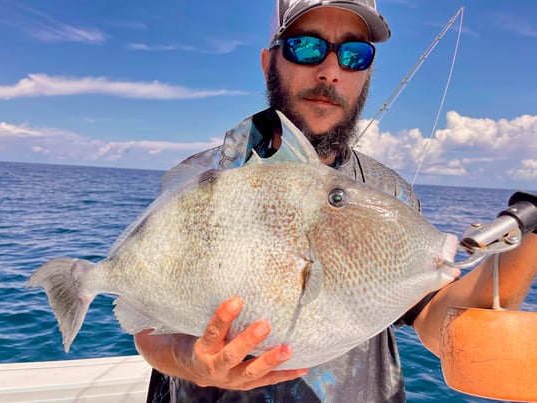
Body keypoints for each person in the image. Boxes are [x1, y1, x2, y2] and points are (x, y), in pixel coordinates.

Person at [135, 1, 537, 401]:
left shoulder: (388, 193)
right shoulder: (207, 177)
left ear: (367, 74)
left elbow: (438, 322)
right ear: (267, 61)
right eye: (306, 47)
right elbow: (145, 313)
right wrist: (188, 359)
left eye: (353, 54)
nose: (330, 72)